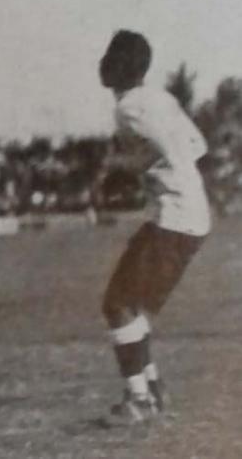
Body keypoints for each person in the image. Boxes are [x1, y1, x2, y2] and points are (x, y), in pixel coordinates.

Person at [97, 30, 209, 425]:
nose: (102, 62)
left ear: (121, 65)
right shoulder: (161, 98)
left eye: (110, 56)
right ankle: (152, 389)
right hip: (188, 211)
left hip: (173, 215)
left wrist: (117, 171)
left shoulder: (127, 106)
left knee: (118, 304)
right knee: (130, 304)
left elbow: (147, 156)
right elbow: (198, 146)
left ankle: (140, 399)